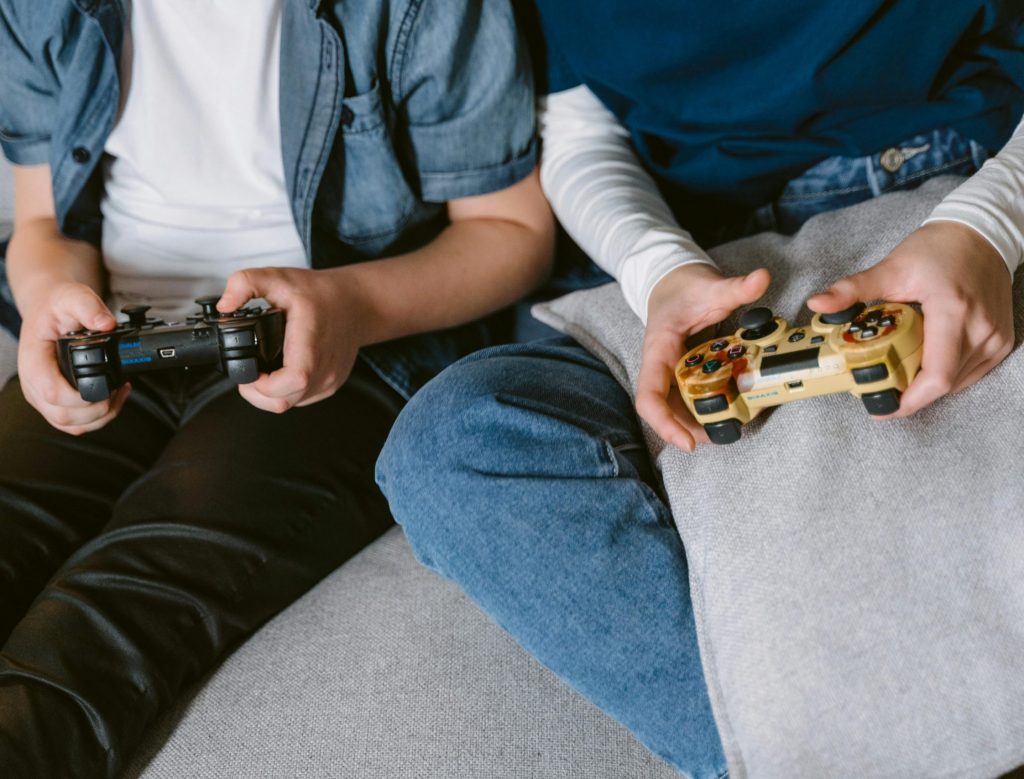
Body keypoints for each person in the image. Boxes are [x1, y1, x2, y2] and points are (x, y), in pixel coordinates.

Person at [376, 2, 1024, 776]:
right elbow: (579, 131)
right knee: (451, 441)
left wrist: (991, 225)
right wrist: (661, 272)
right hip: (679, 259)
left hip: (950, 202)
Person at [0, 0, 553, 775]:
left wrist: (351, 308)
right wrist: (48, 298)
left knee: (99, 626)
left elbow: (514, 232)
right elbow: (41, 224)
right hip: (109, 329)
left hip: (341, 345)